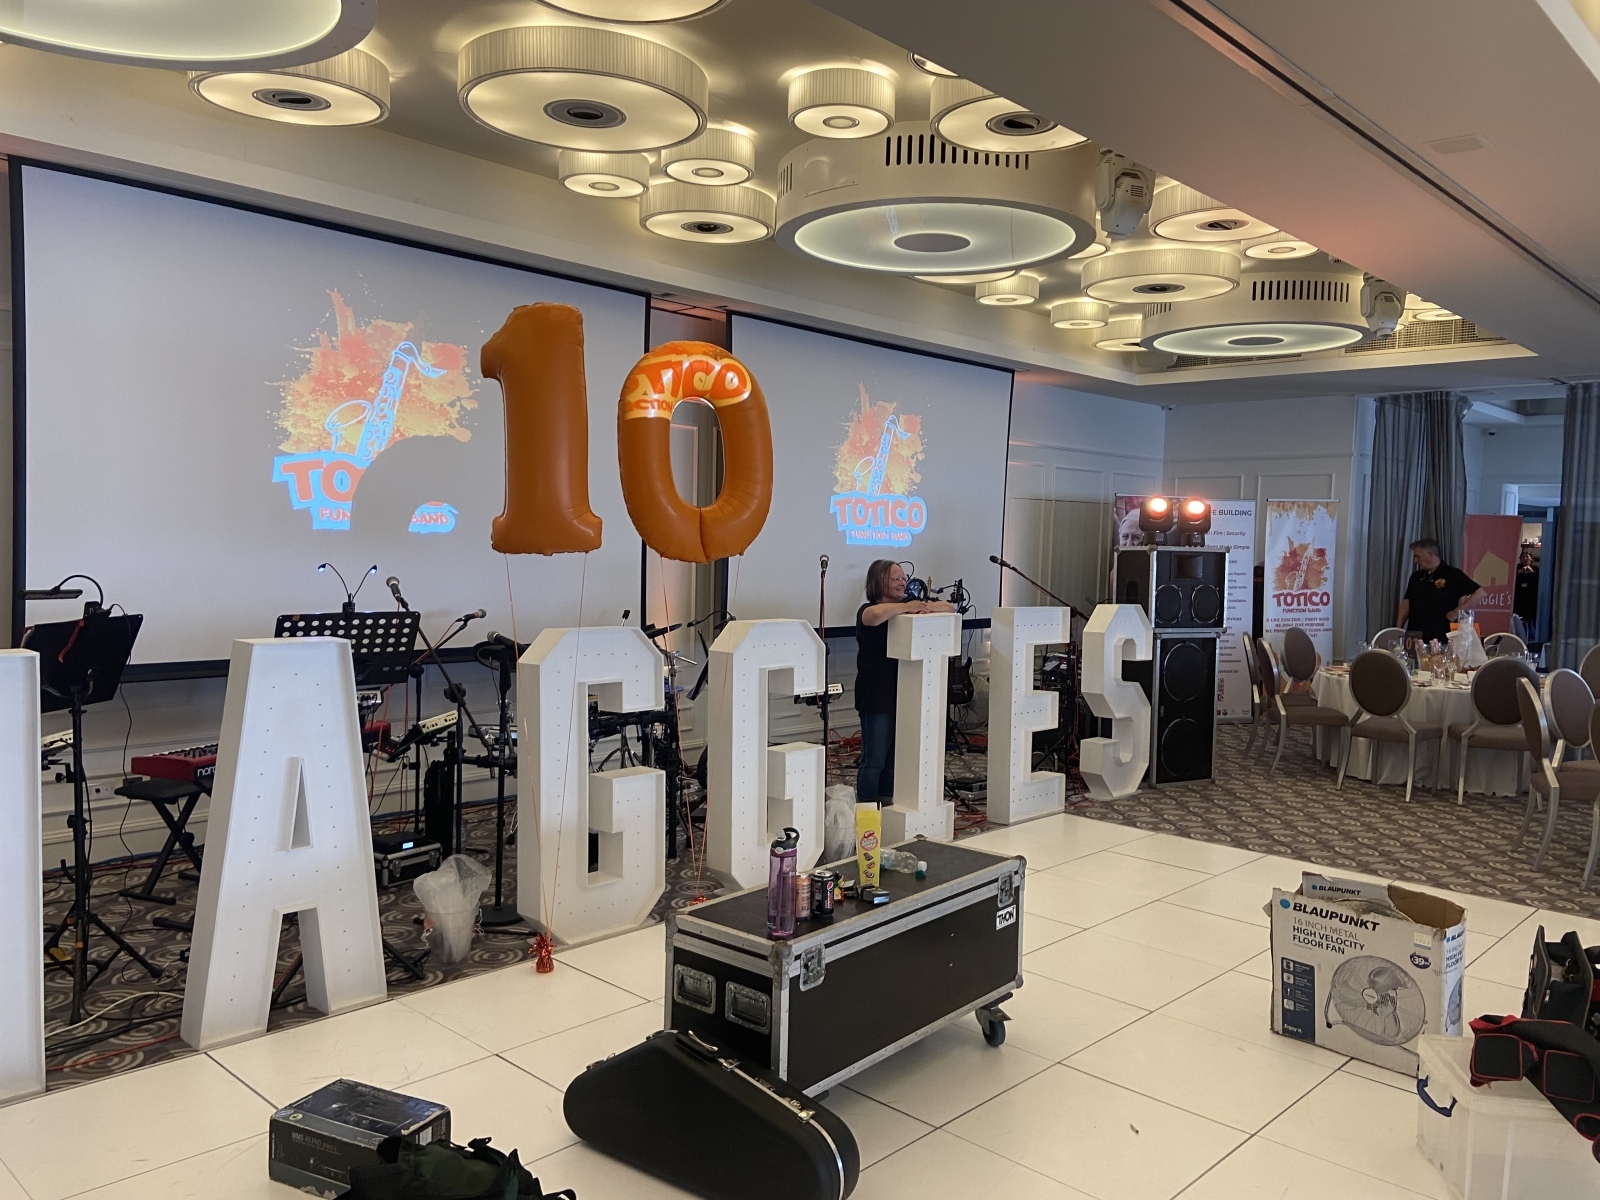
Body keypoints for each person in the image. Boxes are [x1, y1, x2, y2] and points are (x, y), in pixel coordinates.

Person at [854, 560, 956, 805]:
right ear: (879, 582)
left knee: (894, 759)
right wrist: (908, 606)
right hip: (876, 695)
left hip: (904, 693)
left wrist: (921, 607)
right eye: (896, 579)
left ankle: (887, 806)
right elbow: (875, 616)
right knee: (874, 760)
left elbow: (949, 607)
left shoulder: (908, 606)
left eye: (904, 578)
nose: (903, 583)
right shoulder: (867, 610)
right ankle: (866, 810)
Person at [1397, 538, 1485, 643]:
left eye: (1418, 556)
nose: (1415, 560)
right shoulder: (1416, 576)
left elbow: (1480, 593)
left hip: (1441, 636)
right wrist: (1398, 629)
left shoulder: (1452, 574)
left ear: (1430, 554)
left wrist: (1456, 613)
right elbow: (1406, 603)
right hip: (1414, 636)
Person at [1513, 550, 1539, 630]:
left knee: (1532, 619)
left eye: (1527, 556)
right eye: (1523, 557)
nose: (1525, 558)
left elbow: (1539, 580)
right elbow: (1511, 578)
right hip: (1519, 599)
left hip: (1531, 599)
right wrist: (1519, 572)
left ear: (1531, 558)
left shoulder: (1535, 568)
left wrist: (1532, 572)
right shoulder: (1517, 568)